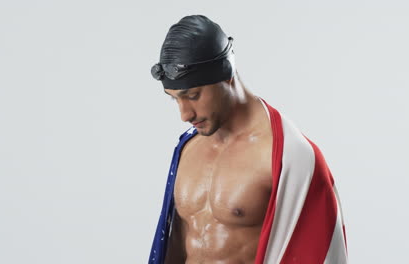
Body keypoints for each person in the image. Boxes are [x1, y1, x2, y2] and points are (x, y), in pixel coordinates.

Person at [148, 15, 348, 264]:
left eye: (193, 95)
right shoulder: (188, 147)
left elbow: (318, 252)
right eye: (175, 99)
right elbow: (174, 244)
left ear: (227, 75)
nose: (185, 114)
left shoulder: (290, 157)